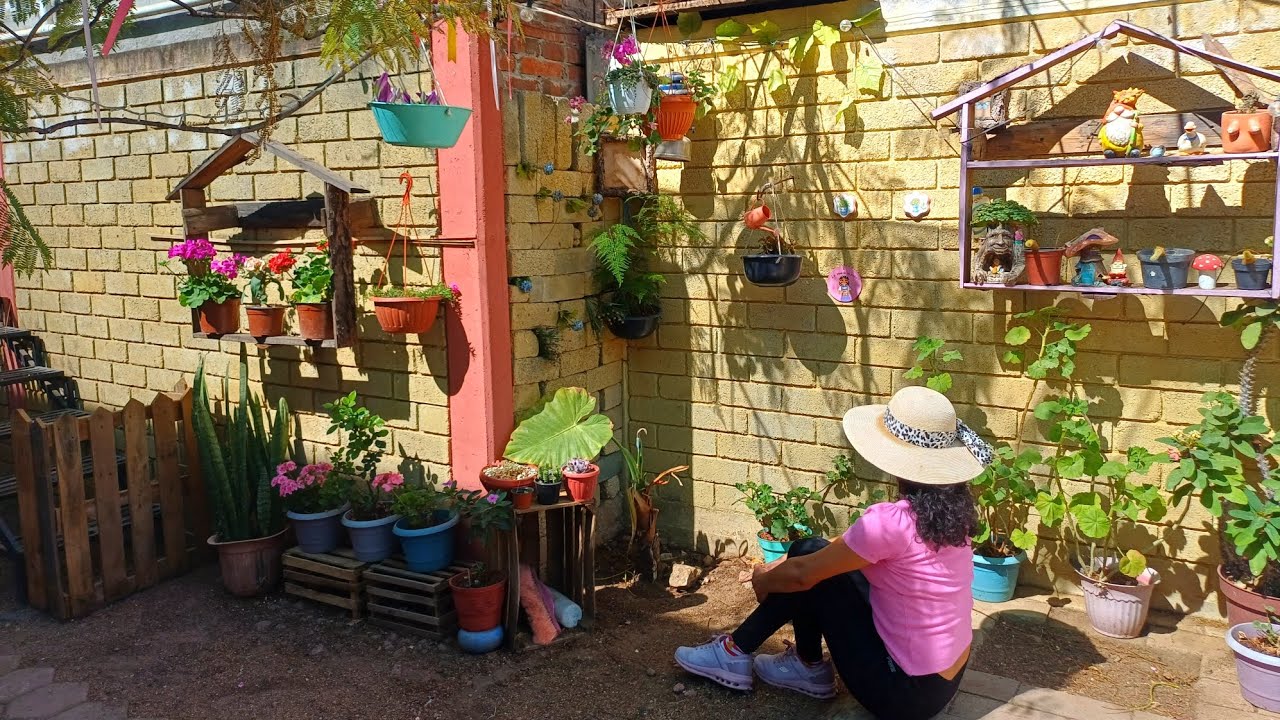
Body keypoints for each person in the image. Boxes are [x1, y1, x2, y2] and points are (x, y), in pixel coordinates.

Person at [674, 386, 990, 720]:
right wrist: (791, 558)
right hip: (943, 682)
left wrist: (763, 575)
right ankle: (805, 666)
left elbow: (802, 576)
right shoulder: (954, 517)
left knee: (814, 578)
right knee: (811, 549)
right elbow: (845, 546)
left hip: (902, 696)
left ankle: (736, 652)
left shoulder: (892, 521)